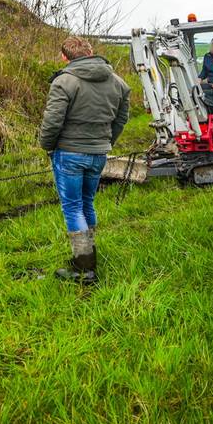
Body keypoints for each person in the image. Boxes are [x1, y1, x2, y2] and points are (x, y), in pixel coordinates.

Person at [38, 35, 131, 285]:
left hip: (69, 152)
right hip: (98, 153)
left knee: (72, 207)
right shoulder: (119, 83)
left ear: (65, 57)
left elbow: (52, 121)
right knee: (87, 203)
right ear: (91, 52)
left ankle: (84, 268)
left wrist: (47, 146)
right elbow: (121, 119)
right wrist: (106, 142)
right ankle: (89, 254)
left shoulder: (64, 81)